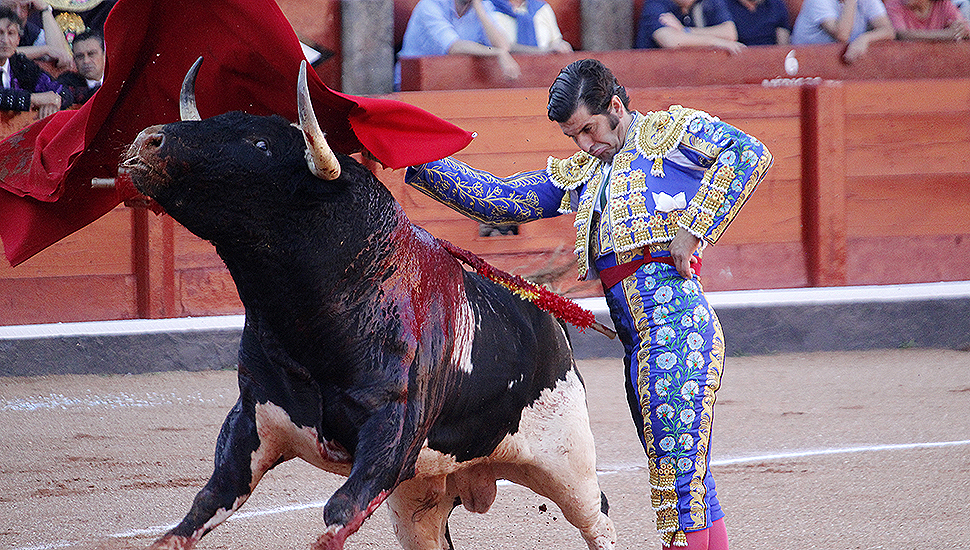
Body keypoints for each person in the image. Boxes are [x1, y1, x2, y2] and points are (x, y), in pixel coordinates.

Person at [405, 58, 772, 549]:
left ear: (616, 106)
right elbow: (500, 199)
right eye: (573, 136)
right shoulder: (587, 173)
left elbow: (749, 153)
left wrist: (695, 228)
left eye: (589, 129)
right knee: (682, 482)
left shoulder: (669, 133)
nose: (583, 145)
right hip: (641, 343)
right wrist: (412, 155)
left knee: (678, 483)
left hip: (678, 328)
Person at [396, 0, 520, 90]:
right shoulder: (430, 5)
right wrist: (497, 53)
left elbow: (503, 46)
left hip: (453, 81)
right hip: (411, 84)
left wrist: (480, 10)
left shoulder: (483, 6)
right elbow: (454, 46)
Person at [0, 6, 71, 117]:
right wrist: (34, 99)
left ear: (18, 39)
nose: (5, 40)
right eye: (0, 33)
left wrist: (54, 100)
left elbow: (62, 91)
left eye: (11, 33)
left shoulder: (19, 63)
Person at [791, 0, 896, 63]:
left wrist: (864, 39)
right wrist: (850, 2)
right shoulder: (818, 1)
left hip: (840, 64)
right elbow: (842, 35)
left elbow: (888, 30)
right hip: (807, 64)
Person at [635, 0, 746, 53]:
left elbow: (730, 33)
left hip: (694, 74)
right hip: (657, 78)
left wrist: (685, 30)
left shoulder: (707, 3)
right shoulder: (655, 4)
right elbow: (671, 40)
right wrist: (715, 41)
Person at [1, 0, 71, 69]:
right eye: (11, 7)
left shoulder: (32, 32)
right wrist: (44, 50)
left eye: (24, 8)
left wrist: (45, 10)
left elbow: (61, 55)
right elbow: (4, 54)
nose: (19, 14)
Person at [489, 0, 573, 52]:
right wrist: (543, 51)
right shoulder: (489, 9)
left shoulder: (542, 9)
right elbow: (501, 47)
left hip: (542, 69)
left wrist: (562, 47)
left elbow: (556, 41)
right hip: (503, 71)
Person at [56, 28, 102, 105]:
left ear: (104, 55)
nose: (86, 61)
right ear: (74, 60)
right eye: (80, 56)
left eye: (91, 54)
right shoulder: (67, 82)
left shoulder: (118, 79)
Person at [885, 0, 970, 39]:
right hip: (907, 58)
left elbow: (964, 28)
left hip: (938, 57)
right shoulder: (894, 3)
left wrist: (962, 30)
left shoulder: (943, 3)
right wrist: (945, 34)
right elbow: (901, 34)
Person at [726, 0, 792, 44]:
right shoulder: (725, 5)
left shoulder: (775, 4)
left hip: (769, 54)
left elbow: (783, 36)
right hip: (739, 54)